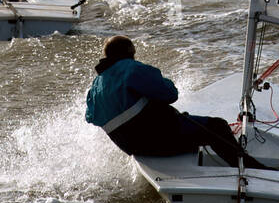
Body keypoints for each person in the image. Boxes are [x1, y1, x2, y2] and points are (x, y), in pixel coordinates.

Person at [85, 35, 269, 168]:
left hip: (134, 148)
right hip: (158, 140)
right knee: (218, 127)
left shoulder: (95, 86)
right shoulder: (130, 69)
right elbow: (170, 94)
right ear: (130, 52)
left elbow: (92, 117)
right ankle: (248, 167)